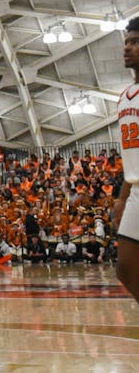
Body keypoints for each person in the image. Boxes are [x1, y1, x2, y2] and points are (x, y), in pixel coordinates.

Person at [115, 18, 139, 304]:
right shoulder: (124, 97)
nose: (128, 47)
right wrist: (121, 198)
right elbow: (129, 158)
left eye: (135, 42)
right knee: (125, 268)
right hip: (135, 191)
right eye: (126, 42)